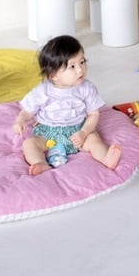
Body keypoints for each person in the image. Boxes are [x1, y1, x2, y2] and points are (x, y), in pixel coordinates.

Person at [13, 34, 122, 175]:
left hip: (77, 131)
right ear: (54, 75)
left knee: (94, 139)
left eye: (82, 62)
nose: (80, 69)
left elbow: (94, 114)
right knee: (29, 144)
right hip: (47, 133)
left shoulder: (87, 88)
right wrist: (20, 121)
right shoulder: (42, 91)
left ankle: (106, 158)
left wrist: (84, 132)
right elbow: (27, 111)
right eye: (72, 66)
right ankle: (40, 163)